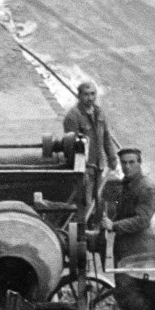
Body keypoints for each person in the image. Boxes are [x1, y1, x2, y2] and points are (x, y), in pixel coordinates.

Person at [63, 80, 120, 223]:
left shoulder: (99, 112)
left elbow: (106, 136)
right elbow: (71, 146)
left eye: (93, 94)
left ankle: (95, 229)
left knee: (98, 200)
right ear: (79, 96)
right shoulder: (73, 117)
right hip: (85, 167)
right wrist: (79, 165)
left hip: (99, 165)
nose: (90, 97)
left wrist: (112, 157)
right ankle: (81, 232)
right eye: (86, 94)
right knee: (85, 202)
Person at [103, 147, 155, 264]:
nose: (127, 167)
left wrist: (114, 226)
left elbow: (142, 220)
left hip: (141, 247)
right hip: (124, 244)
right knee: (121, 280)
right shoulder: (126, 183)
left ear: (139, 162)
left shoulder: (147, 188)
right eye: (123, 163)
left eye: (131, 162)